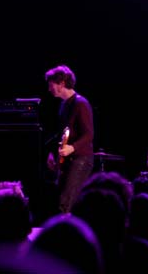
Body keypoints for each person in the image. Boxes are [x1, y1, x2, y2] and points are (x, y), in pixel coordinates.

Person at [45, 65, 95, 215]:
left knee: (66, 202)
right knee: (62, 200)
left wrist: (72, 148)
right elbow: (62, 134)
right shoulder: (64, 105)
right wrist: (54, 153)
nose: (49, 89)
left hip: (81, 159)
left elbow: (89, 134)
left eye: (51, 84)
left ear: (61, 83)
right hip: (68, 160)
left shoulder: (81, 104)